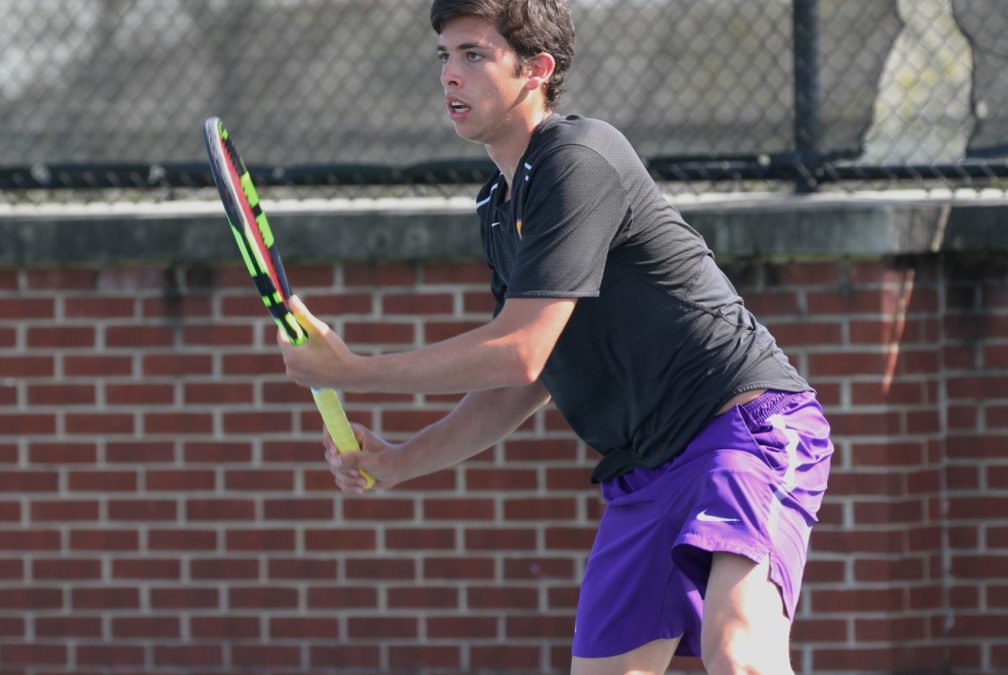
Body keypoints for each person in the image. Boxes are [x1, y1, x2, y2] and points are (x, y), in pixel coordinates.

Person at [278, 1, 834, 672]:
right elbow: (533, 374)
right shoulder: (500, 205)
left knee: (738, 652)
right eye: (444, 57)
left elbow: (519, 351)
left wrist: (353, 370)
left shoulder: (578, 158)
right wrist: (400, 460)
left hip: (742, 429)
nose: (451, 75)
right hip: (643, 469)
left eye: (474, 56)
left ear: (536, 69)